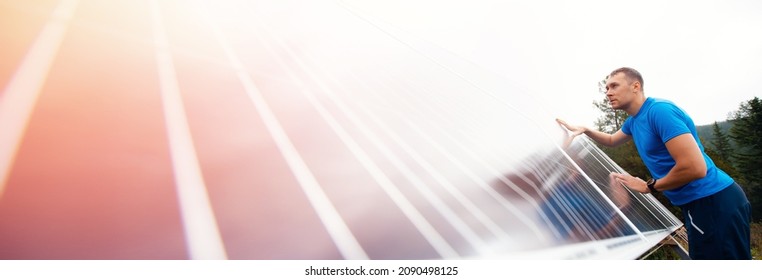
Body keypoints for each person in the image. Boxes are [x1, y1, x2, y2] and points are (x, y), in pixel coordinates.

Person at [556, 67, 751, 260]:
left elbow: (695, 167)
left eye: (614, 86)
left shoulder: (659, 111)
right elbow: (611, 140)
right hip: (698, 203)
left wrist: (649, 186)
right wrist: (584, 129)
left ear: (635, 86)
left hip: (712, 200)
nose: (608, 92)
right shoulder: (634, 121)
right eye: (606, 88)